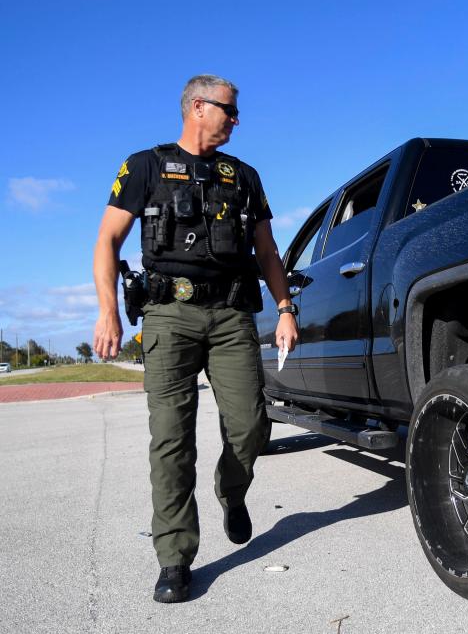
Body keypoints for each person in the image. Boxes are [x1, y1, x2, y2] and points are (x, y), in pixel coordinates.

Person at [92, 74, 298, 603]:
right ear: (198, 107)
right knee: (171, 441)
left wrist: (284, 308)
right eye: (229, 110)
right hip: (168, 315)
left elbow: (268, 252)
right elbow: (108, 240)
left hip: (231, 316)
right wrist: (109, 313)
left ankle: (232, 491)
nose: (236, 119)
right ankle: (175, 558)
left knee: (252, 425)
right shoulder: (145, 166)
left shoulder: (244, 176)